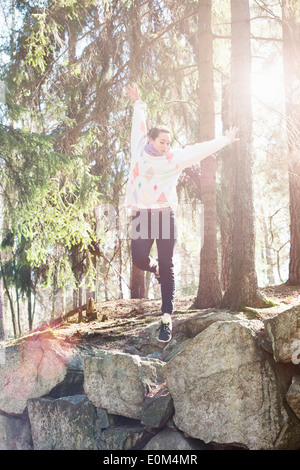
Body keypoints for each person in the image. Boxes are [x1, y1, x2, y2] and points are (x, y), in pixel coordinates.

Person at [125, 83, 238, 342]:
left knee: (168, 265)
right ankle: (154, 269)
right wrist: (138, 102)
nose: (166, 145)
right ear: (151, 140)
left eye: (168, 142)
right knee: (140, 259)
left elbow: (199, 150)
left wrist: (225, 140)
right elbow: (138, 126)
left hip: (165, 216)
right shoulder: (139, 148)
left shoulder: (174, 158)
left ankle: (166, 319)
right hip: (142, 215)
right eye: (161, 141)